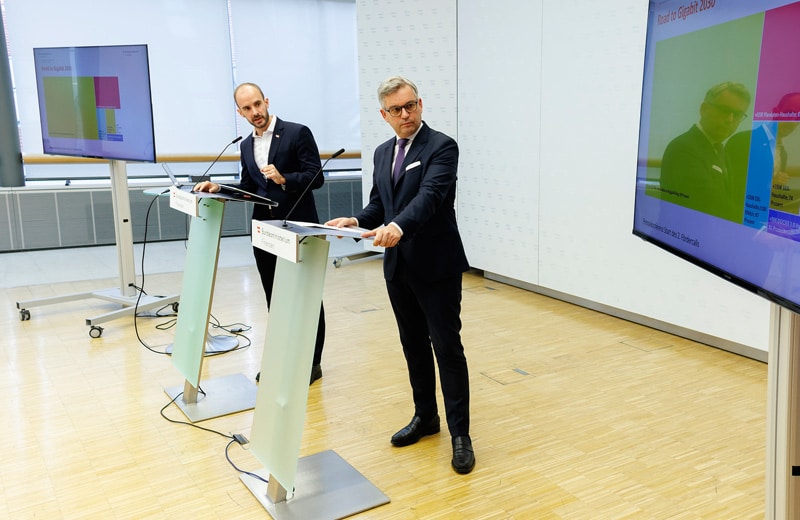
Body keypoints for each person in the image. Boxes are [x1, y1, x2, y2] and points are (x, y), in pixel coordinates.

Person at [326, 76, 474, 474]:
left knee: (447, 349)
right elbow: (381, 204)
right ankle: (426, 417)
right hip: (398, 267)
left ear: (420, 105)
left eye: (410, 106)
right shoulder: (381, 153)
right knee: (413, 346)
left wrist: (398, 226)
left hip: (436, 265)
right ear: (384, 114)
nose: (405, 114)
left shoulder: (441, 146)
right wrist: (357, 220)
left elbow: (430, 197)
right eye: (396, 110)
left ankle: (460, 435)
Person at [194, 82, 326, 385]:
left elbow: (316, 177)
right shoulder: (245, 146)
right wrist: (219, 188)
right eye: (247, 108)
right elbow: (250, 187)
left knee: (306, 297)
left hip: (298, 229)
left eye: (257, 104)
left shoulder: (297, 132)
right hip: (264, 232)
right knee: (275, 297)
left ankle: (312, 362)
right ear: (239, 112)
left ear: (266, 101)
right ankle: (283, 358)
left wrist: (284, 178)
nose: (255, 112)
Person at [659, 81, 751, 222]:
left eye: (737, 114)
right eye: (724, 110)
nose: (730, 119)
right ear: (704, 109)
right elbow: (710, 204)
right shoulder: (683, 148)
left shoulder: (720, 149)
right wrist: (754, 225)